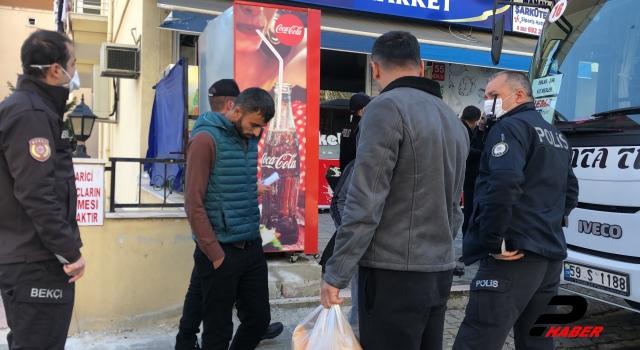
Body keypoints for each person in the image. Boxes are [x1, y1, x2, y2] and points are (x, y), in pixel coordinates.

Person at [321, 31, 469, 350]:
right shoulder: (454, 121)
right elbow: (455, 208)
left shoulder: (384, 107)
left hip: (393, 276)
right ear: (422, 67)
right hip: (439, 270)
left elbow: (365, 202)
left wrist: (336, 272)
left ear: (375, 70)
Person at [453, 71, 579, 350]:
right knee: (538, 340)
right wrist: (546, 222)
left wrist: (494, 239)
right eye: (485, 97)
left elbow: (504, 183)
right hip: (549, 255)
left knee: (479, 335)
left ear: (518, 95)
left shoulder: (509, 128)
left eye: (493, 96)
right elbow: (570, 191)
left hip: (512, 255)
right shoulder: (555, 134)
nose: (488, 103)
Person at [176, 80, 282, 350]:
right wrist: (214, 252)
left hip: (250, 245)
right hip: (220, 249)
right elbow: (193, 203)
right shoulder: (205, 140)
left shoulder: (247, 139)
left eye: (261, 127)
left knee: (258, 320)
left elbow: (232, 182)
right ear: (235, 111)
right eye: (254, 125)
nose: (257, 132)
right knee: (218, 332)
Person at [0, 29, 86, 350]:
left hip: (31, 258)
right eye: (73, 64)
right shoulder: (31, 113)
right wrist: (69, 252)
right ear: (55, 69)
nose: (74, 72)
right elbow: (37, 192)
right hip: (37, 262)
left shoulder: (33, 109)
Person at [339, 92, 372, 172]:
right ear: (364, 109)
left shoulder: (347, 127)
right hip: (357, 175)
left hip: (346, 174)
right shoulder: (363, 128)